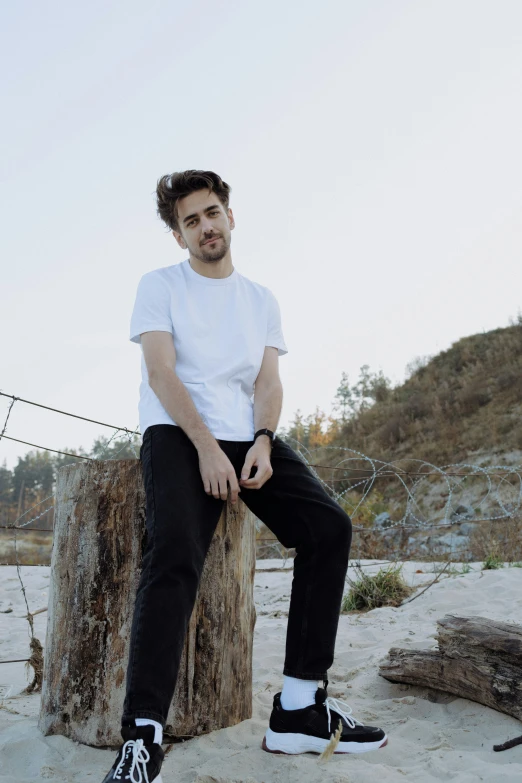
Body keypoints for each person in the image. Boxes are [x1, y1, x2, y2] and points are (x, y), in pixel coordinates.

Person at [102, 170, 387, 783]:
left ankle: (298, 709)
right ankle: (143, 733)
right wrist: (206, 447)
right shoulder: (160, 286)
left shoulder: (261, 299)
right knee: (175, 552)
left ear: (231, 216)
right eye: (190, 221)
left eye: (212, 213)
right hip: (178, 433)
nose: (205, 226)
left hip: (246, 435)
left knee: (329, 528)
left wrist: (261, 440)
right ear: (179, 237)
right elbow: (161, 372)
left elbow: (267, 382)